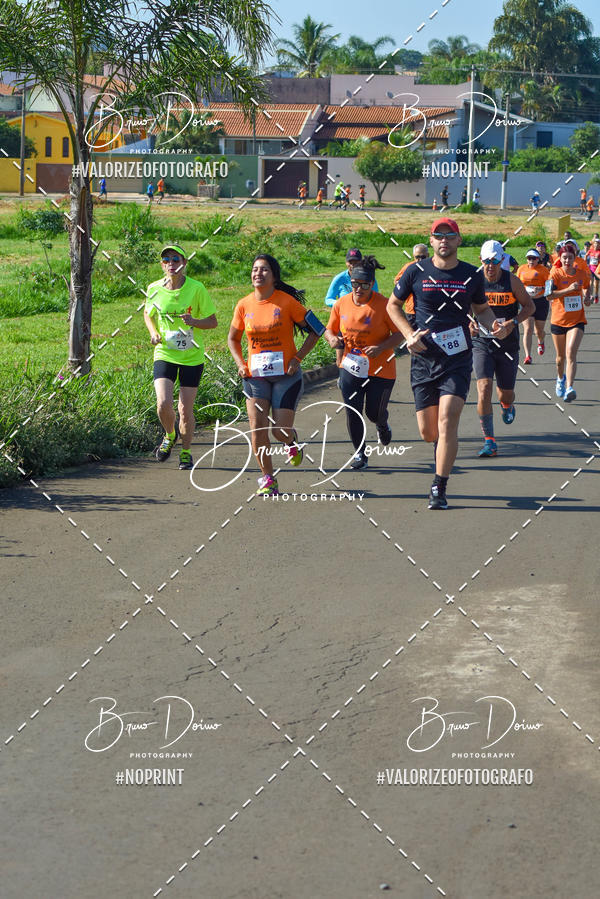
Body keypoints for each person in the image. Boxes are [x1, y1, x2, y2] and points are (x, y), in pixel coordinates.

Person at [388, 218, 501, 510]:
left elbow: (482, 309)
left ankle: (439, 485)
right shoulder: (415, 271)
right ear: (432, 239)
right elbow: (393, 305)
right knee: (429, 432)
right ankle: (441, 453)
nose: (444, 241)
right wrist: (408, 335)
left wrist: (494, 325)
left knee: (448, 420)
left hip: (457, 358)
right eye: (438, 236)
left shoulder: (471, 275)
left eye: (450, 236)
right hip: (424, 358)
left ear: (459, 241)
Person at [228, 254, 323, 496]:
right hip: (255, 376)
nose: (257, 273)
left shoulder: (287, 302)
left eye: (264, 270)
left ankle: (291, 442)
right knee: (257, 428)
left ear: (274, 276)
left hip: (285, 376)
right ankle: (268, 479)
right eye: (254, 269)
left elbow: (316, 330)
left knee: (279, 431)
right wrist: (240, 363)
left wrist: (297, 358)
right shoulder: (243, 305)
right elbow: (232, 339)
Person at [144, 245, 217, 469]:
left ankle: (185, 452)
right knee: (163, 403)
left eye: (175, 259)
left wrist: (194, 321)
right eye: (166, 260)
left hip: (191, 357)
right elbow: (148, 313)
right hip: (165, 352)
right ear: (162, 265)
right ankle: (169, 435)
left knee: (185, 409)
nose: (171, 264)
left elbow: (212, 322)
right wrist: (154, 332)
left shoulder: (196, 288)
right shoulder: (154, 288)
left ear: (183, 263)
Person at [324, 256, 401, 470]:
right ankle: (360, 454)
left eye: (365, 285)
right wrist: (332, 339)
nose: (359, 289)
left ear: (372, 283)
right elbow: (329, 329)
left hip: (381, 368)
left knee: (373, 413)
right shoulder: (341, 304)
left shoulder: (385, 305)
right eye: (355, 284)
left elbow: (400, 334)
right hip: (351, 365)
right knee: (353, 410)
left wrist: (381, 347)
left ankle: (382, 424)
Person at [473, 240, 535, 457]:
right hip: (482, 343)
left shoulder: (512, 281)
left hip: (507, 345)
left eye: (494, 261)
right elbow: (461, 307)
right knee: (483, 389)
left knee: (505, 393)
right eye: (486, 261)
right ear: (480, 260)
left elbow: (530, 306)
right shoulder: (475, 281)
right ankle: (489, 441)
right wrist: (469, 322)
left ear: (502, 260)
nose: (490, 266)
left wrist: (513, 323)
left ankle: (507, 405)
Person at [547, 242, 592, 401]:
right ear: (560, 258)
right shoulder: (555, 274)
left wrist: (587, 297)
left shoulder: (581, 274)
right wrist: (568, 290)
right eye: (564, 258)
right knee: (560, 358)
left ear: (575, 258)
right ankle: (560, 379)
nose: (567, 261)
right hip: (558, 320)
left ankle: (569, 388)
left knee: (571, 352)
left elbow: (588, 285)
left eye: (570, 258)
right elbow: (548, 295)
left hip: (577, 320)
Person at [516, 248, 550, 363]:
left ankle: (541, 341)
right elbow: (518, 285)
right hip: (527, 302)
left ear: (538, 259)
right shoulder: (521, 269)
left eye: (534, 258)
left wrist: (541, 288)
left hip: (540, 302)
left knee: (539, 331)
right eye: (529, 258)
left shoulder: (543, 270)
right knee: (528, 329)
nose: (531, 260)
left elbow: (549, 285)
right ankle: (527, 356)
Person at [394, 244, 429, 329]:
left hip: (427, 310)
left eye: (423, 257)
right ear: (413, 256)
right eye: (417, 257)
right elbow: (397, 281)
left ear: (428, 255)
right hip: (411, 310)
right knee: (411, 336)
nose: (420, 260)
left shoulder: (432, 267)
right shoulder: (409, 267)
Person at [587, 236, 600, 302]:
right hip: (591, 269)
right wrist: (585, 263)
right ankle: (591, 296)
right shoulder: (590, 250)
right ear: (593, 244)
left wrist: (598, 259)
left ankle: (596, 295)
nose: (596, 244)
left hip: (597, 270)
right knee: (591, 282)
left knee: (596, 284)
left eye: (598, 243)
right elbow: (586, 256)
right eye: (595, 243)